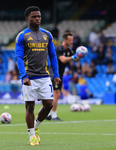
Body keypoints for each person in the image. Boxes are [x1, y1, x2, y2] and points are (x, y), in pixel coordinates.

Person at [15, 6, 62, 146]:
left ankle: (35, 127)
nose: (37, 19)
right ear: (27, 18)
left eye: (39, 16)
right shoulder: (22, 36)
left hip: (44, 76)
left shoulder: (47, 35)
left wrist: (56, 74)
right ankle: (31, 136)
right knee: (30, 107)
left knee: (48, 104)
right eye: (34, 16)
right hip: (29, 77)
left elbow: (53, 55)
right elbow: (18, 57)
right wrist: (24, 76)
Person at [46, 32, 84, 121]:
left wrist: (81, 55)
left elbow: (75, 59)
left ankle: (47, 114)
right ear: (65, 40)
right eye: (70, 40)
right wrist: (74, 56)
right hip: (54, 73)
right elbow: (63, 60)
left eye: (72, 40)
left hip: (59, 74)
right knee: (57, 94)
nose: (71, 41)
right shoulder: (59, 48)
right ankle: (54, 116)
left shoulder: (69, 50)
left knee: (51, 95)